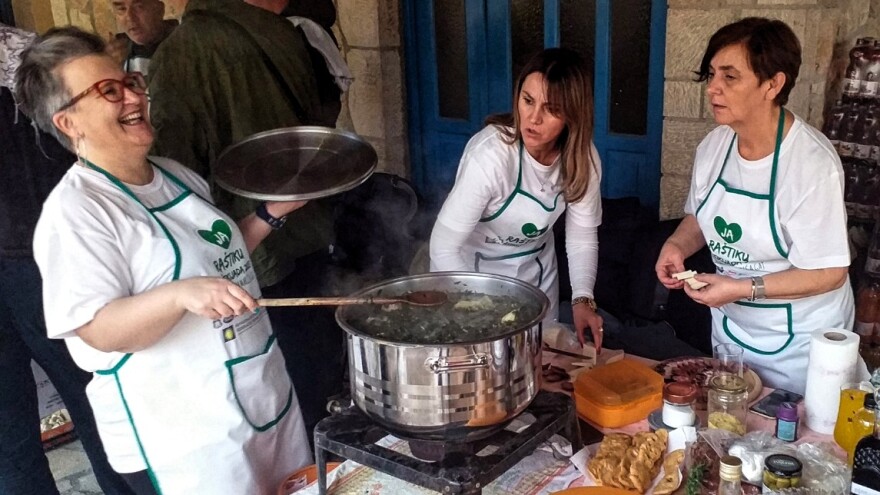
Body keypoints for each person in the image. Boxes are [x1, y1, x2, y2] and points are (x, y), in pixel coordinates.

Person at [16, 26, 311, 494]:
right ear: (68, 123)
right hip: (181, 437)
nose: (132, 98)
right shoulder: (76, 213)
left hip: (258, 397)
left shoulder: (176, 177)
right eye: (108, 92)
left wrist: (270, 215)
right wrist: (179, 295)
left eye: (130, 83)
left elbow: (218, 266)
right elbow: (98, 330)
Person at [149, 0, 345, 439]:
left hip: (248, 244)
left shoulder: (183, 51)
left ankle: (310, 460)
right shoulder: (292, 36)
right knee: (312, 369)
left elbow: (174, 165)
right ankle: (327, 456)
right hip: (289, 229)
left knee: (281, 373)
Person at [654, 17, 867, 395]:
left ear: (773, 83)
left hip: (800, 345)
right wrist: (677, 245)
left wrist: (742, 287)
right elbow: (699, 217)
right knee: (729, 428)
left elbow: (830, 271)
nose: (713, 89)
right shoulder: (714, 147)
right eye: (712, 75)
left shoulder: (810, 165)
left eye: (730, 77)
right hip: (734, 329)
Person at [0, 23, 134, 495]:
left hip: (38, 249)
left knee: (9, 434)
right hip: (40, 253)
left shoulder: (36, 57)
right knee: (96, 398)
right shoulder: (35, 59)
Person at [429, 48, 604, 350]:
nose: (533, 118)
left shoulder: (582, 159)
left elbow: (581, 236)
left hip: (536, 277)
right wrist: (478, 309)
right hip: (469, 277)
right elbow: (443, 246)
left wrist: (582, 298)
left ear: (573, 115)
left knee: (539, 367)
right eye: (528, 100)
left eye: (551, 109)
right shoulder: (492, 156)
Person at [107, 0, 177, 76]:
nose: (130, 17)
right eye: (122, 9)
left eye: (138, 7)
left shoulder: (184, 44)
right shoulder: (119, 51)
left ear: (159, 9)